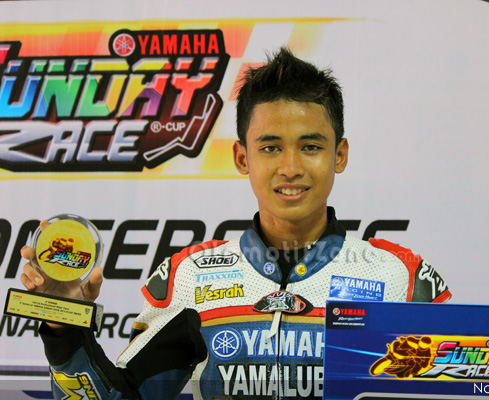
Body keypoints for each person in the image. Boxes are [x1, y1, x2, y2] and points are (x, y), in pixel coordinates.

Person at [20, 47, 451, 400]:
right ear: (242, 158)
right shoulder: (189, 277)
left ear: (339, 155)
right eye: (270, 148)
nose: (290, 167)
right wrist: (63, 324)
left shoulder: (401, 279)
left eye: (310, 146)